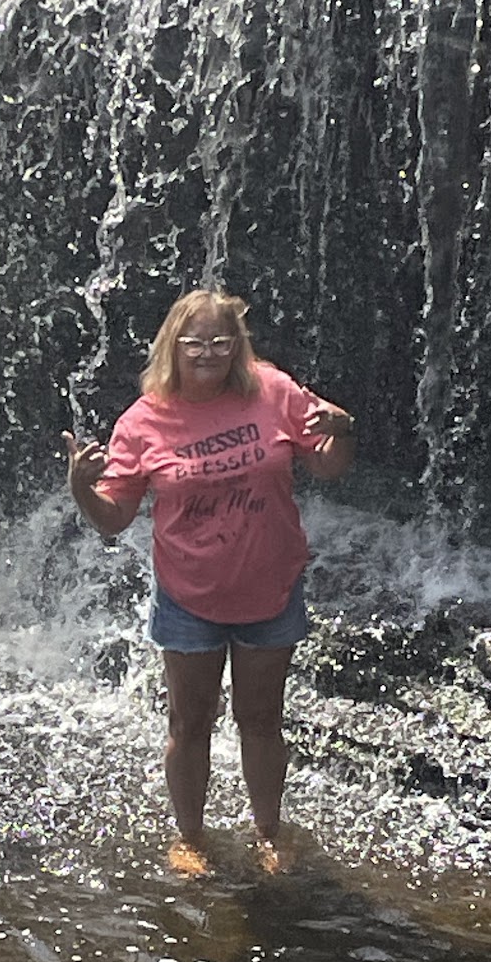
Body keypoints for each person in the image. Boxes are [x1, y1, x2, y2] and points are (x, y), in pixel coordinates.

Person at [64, 288, 355, 877]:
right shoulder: (144, 421)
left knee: (262, 720)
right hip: (188, 596)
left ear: (238, 345)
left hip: (269, 585)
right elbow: (114, 520)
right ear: (173, 345)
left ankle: (268, 832)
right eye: (194, 341)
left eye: (221, 341)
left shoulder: (273, 390)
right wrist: (79, 488)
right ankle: (190, 838)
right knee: (189, 724)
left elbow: (327, 464)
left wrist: (343, 430)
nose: (208, 352)